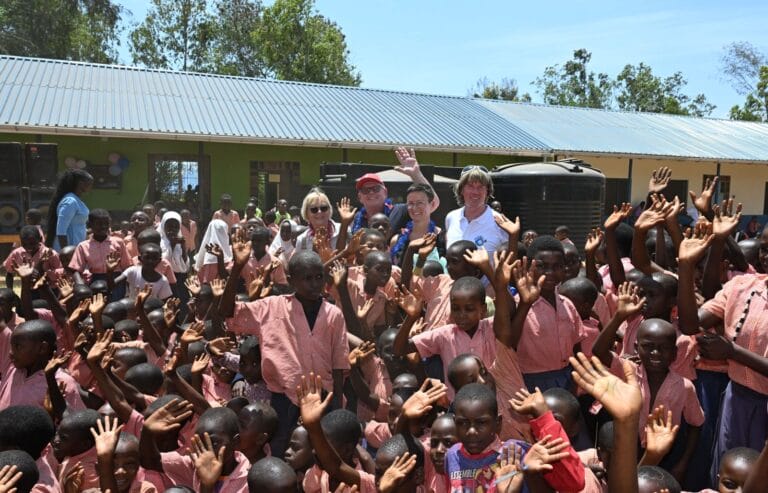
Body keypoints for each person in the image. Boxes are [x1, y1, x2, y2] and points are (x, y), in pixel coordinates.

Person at [351, 147, 440, 234]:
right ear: (359, 197)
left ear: (385, 192)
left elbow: (433, 203)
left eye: (376, 188)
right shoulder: (358, 217)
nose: (371, 192)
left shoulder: (400, 211)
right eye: (365, 190)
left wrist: (416, 174)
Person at [445, 165, 507, 256]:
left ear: (488, 191)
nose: (475, 192)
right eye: (470, 186)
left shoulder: (500, 221)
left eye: (480, 187)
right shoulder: (451, 217)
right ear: (461, 190)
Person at [389, 183, 444, 270]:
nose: (414, 207)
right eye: (410, 203)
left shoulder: (443, 238)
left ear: (432, 204)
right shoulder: (396, 240)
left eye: (420, 203)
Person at [46, 169, 93, 251]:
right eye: (90, 183)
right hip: (68, 251)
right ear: (81, 183)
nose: (91, 187)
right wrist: (66, 254)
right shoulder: (70, 201)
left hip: (76, 248)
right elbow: (61, 231)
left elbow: (75, 225)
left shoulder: (75, 199)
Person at [294, 189, 353, 254]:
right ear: (306, 213)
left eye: (323, 208)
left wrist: (344, 225)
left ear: (329, 210)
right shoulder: (302, 240)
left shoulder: (345, 230)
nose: (319, 212)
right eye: (314, 209)